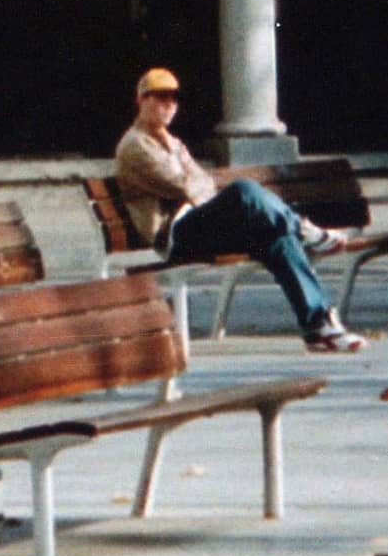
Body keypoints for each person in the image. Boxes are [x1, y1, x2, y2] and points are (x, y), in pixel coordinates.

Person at [112, 67, 366, 354]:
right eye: (159, 97)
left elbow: (203, 184)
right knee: (244, 191)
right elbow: (183, 185)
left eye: (173, 98)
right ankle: (307, 230)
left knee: (277, 237)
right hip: (175, 235)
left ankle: (319, 327)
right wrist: (197, 185)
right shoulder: (134, 146)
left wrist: (197, 185)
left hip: (201, 224)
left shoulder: (174, 144)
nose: (169, 104)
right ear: (141, 100)